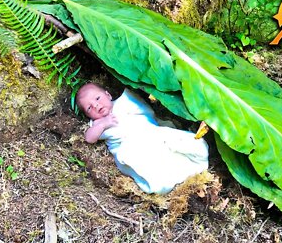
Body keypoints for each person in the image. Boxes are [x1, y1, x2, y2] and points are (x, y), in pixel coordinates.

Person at [76, 83, 209, 194]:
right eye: (89, 108)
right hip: (132, 146)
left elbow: (146, 112)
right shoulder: (98, 124)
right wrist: (104, 124)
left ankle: (190, 162)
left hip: (152, 135)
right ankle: (164, 180)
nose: (96, 106)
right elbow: (89, 138)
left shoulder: (125, 102)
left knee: (182, 144)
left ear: (108, 95)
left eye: (98, 98)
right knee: (151, 167)